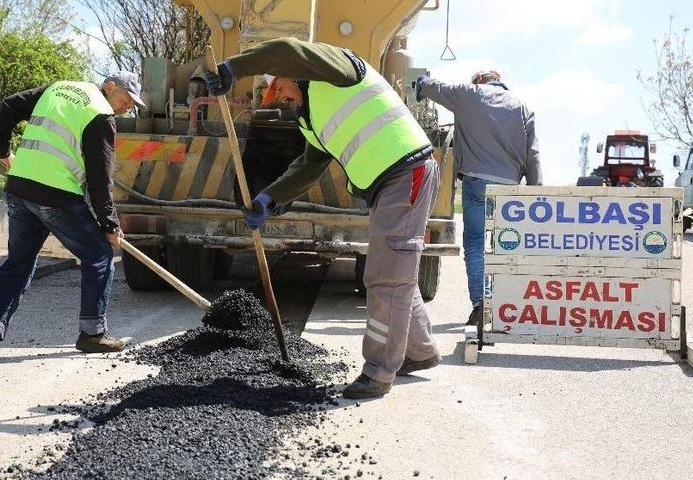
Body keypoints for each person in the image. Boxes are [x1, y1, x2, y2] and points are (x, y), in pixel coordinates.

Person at [205, 37, 441, 399]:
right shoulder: (311, 118)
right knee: (395, 270)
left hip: (406, 171)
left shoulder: (341, 71)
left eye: (279, 89)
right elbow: (308, 167)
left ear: (291, 75)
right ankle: (420, 351)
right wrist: (268, 199)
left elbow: (284, 48)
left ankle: (378, 372)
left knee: (384, 276)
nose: (281, 99)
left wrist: (232, 68)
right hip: (388, 183)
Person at [0, 72, 146, 360]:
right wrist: (109, 225)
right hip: (55, 194)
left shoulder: (58, 89)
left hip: (20, 186)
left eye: (133, 104)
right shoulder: (100, 114)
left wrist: (1, 150)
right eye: (126, 99)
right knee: (98, 254)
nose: (128, 107)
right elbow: (100, 178)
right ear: (110, 87)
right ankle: (93, 333)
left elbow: (9, 106)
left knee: (18, 264)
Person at [416, 69, 541, 326]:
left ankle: (480, 305)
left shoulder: (469, 95)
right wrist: (535, 191)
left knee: (475, 244)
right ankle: (502, 305)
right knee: (505, 246)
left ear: (479, 81)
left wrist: (420, 82)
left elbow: (433, 87)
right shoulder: (522, 106)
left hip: (475, 183)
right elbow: (534, 154)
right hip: (509, 188)